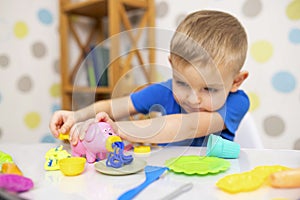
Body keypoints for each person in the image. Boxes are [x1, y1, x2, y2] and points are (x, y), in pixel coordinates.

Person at [49, 10, 249, 147]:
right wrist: (76, 116)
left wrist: (119, 129)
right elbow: (112, 107)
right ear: (172, 66)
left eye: (208, 89)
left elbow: (187, 125)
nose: (192, 98)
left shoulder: (236, 103)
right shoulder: (164, 92)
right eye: (182, 83)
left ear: (236, 82)